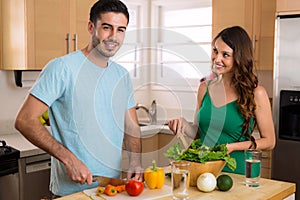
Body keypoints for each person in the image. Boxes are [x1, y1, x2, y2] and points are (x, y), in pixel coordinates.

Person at [14, 0, 143, 197]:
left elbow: (132, 127)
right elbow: (24, 120)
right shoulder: (62, 68)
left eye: (121, 30)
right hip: (72, 192)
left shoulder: (121, 76)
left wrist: (135, 161)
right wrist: (69, 159)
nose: (113, 37)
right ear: (91, 27)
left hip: (110, 189)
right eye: (107, 28)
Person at [168, 26, 276, 174]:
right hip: (204, 171)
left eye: (225, 55)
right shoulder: (204, 87)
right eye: (215, 51)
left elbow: (269, 141)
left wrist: (232, 147)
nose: (217, 59)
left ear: (239, 58)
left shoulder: (256, 93)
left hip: (236, 172)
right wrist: (182, 124)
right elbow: (199, 133)